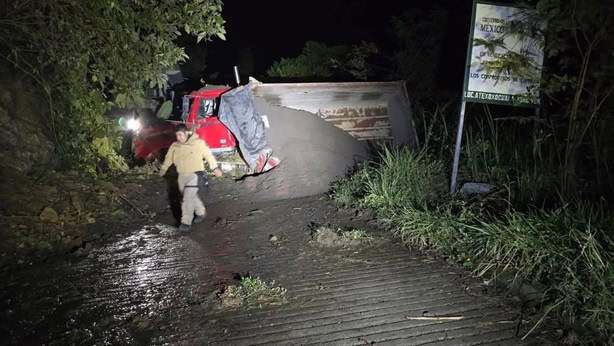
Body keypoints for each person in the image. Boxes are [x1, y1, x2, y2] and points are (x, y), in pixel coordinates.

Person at [159, 124, 222, 232]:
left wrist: (215, 167)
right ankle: (201, 212)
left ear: (186, 133)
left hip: (195, 175)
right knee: (190, 196)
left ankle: (186, 223)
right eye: (177, 136)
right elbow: (169, 158)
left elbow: (208, 155)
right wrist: (164, 168)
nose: (179, 138)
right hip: (182, 176)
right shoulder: (175, 146)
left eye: (180, 135)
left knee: (187, 198)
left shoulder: (197, 143)